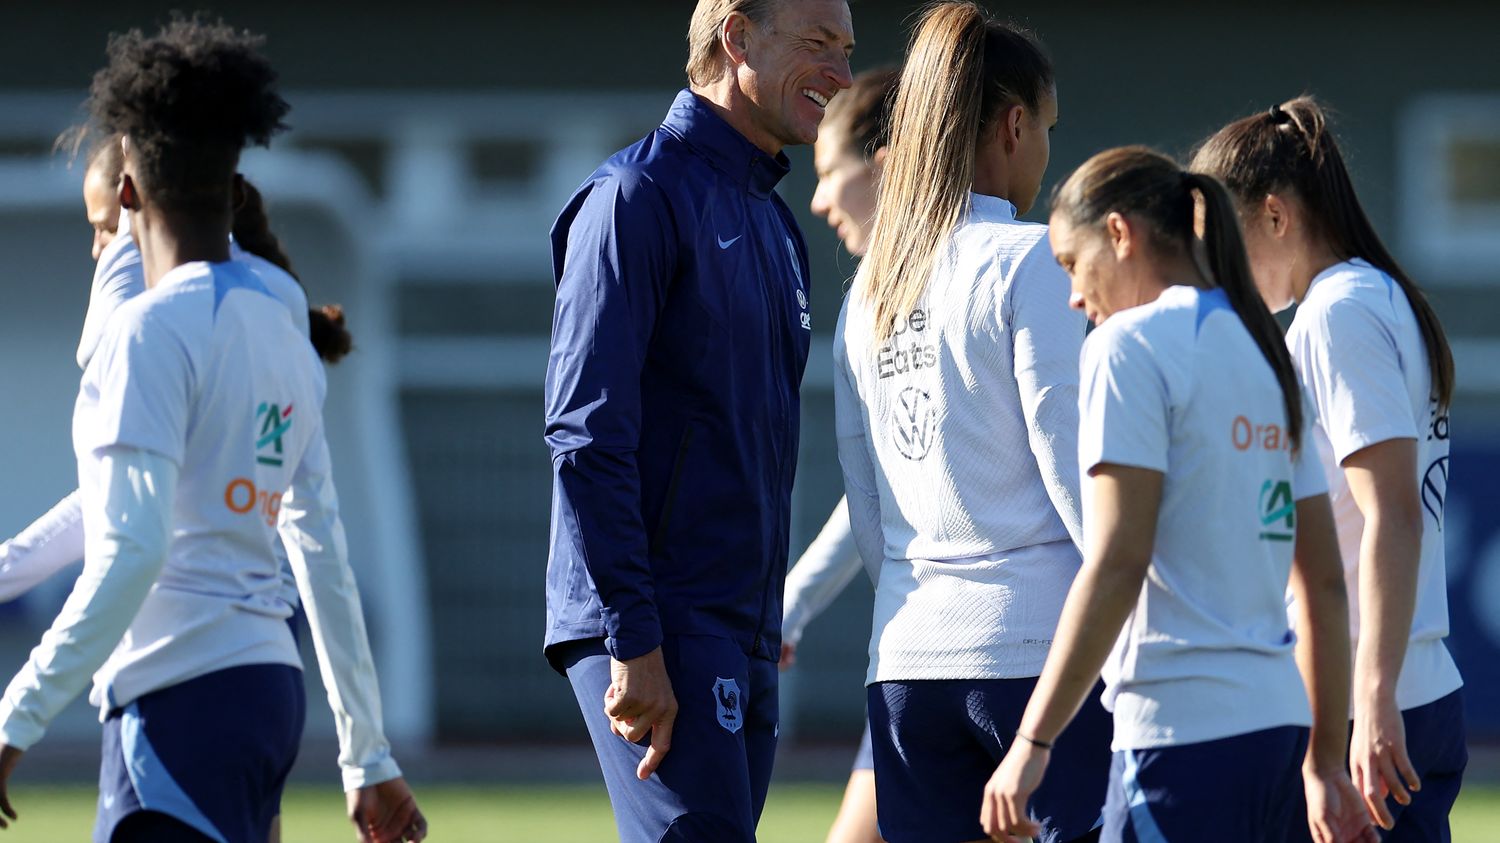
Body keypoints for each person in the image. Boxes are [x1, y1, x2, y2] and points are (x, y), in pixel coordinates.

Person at [0, 18, 424, 843]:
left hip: (178, 704)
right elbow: (323, 553)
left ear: (126, 195)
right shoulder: (282, 327)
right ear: (234, 181)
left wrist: (14, 716)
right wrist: (364, 752)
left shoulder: (148, 333)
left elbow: (134, 550)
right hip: (267, 691)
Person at [978, 147, 1372, 843]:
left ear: (1121, 234)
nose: (1073, 295)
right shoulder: (1265, 353)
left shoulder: (1127, 346)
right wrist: (1323, 763)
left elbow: (1116, 562)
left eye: (1073, 263)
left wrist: (1032, 742)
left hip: (1179, 736)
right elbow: (1324, 585)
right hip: (1278, 735)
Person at [543, 0, 853, 839]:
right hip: (656, 622)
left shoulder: (777, 224)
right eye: (819, 44)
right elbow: (584, 431)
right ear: (737, 38)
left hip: (742, 629)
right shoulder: (635, 196)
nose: (843, 76)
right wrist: (633, 634)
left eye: (848, 52)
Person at [833, 4, 1107, 841]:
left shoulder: (867, 289)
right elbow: (1075, 477)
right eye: (1048, 126)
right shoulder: (1031, 259)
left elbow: (869, 506)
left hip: (908, 665)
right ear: (1014, 125)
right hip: (1039, 656)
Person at [1192, 98, 1465, 841]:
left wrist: (1372, 702)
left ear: (1276, 216)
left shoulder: (1337, 313)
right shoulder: (1376, 297)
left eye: (1226, 242)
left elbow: (1393, 511)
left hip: (1368, 699)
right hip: (1401, 685)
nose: (1221, 273)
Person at [0, 137, 354, 608]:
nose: (96, 250)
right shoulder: (266, 308)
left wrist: (38, 683)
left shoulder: (153, 331)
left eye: (105, 228)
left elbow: (127, 535)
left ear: (134, 202)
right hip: (253, 645)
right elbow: (110, 499)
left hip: (187, 647)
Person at [788, 65, 896, 843]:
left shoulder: (1005, 273)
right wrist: (793, 601)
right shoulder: (869, 303)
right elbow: (879, 484)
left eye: (830, 172)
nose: (819, 198)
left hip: (1018, 663)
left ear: (887, 162)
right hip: (919, 663)